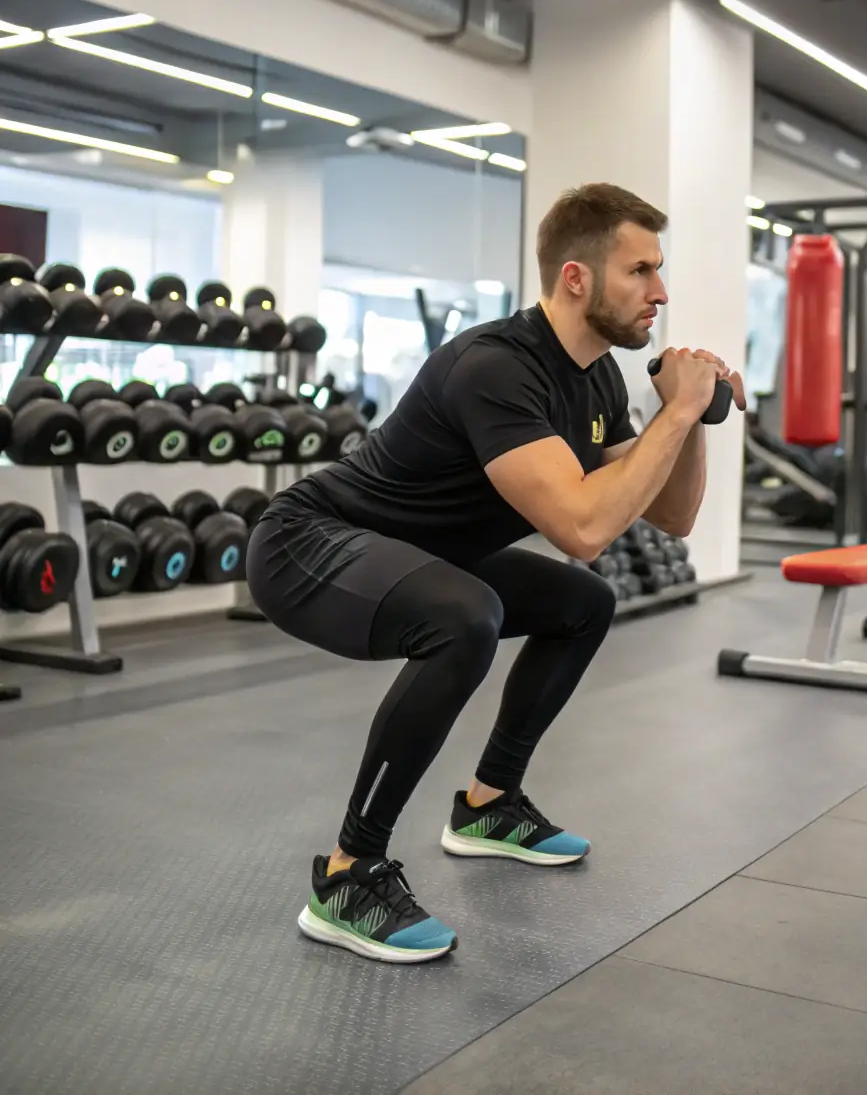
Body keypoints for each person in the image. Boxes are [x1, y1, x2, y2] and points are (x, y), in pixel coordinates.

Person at [247, 182, 745, 964]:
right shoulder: (496, 367)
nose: (661, 291)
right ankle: (348, 875)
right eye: (640, 270)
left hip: (419, 555)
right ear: (576, 278)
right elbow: (583, 525)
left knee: (582, 602)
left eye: (659, 269)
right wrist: (676, 415)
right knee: (464, 615)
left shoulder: (598, 378)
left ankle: (487, 804)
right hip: (311, 541)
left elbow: (670, 515)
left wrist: (695, 414)